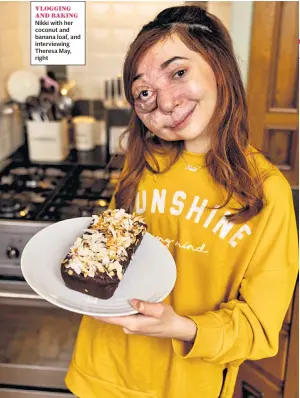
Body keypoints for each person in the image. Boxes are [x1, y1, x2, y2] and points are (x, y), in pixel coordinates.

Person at [65, 5, 298, 398]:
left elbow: (259, 329)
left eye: (178, 72)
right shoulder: (142, 166)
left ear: (219, 65)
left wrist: (183, 328)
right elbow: (107, 257)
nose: (166, 103)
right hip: (98, 376)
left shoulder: (264, 191)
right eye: (144, 92)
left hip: (185, 387)